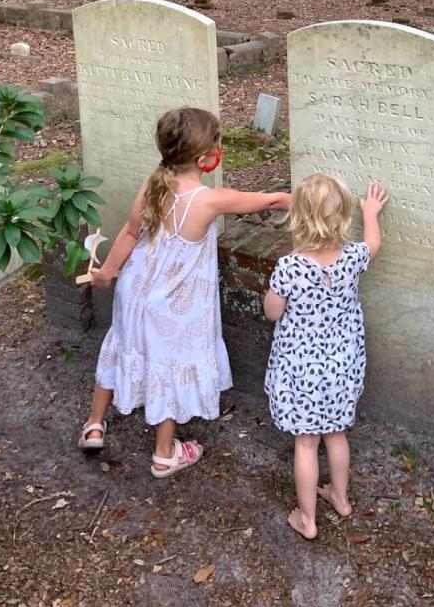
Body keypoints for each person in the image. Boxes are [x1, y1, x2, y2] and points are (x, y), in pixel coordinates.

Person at [78, 106, 291, 478]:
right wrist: (308, 198)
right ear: (203, 156)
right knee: (169, 367)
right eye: (217, 143)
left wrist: (107, 273)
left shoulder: (154, 182)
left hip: (135, 290)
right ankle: (164, 453)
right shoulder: (207, 200)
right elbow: (269, 200)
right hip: (174, 303)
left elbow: (130, 232)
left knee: (121, 347)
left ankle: (95, 424)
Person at [263, 175, 388, 539]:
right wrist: (371, 213)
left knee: (306, 442)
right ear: (342, 218)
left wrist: (274, 296)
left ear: (298, 218)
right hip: (342, 366)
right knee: (336, 434)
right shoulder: (351, 258)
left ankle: (307, 518)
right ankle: (340, 496)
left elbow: (273, 312)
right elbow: (373, 244)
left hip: (301, 370)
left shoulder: (289, 268)